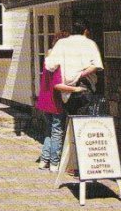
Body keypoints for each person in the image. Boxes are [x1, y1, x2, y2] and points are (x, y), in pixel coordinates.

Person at [35, 31, 85, 173]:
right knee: (57, 131)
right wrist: (76, 89)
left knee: (49, 131)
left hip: (45, 101)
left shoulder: (48, 59)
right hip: (54, 101)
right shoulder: (57, 63)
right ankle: (54, 163)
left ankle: (44, 160)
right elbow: (57, 86)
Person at [44, 19, 104, 116]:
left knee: (69, 123)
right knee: (83, 124)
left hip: (65, 90)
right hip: (84, 86)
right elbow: (96, 66)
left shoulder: (61, 43)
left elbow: (50, 65)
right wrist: (80, 74)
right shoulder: (90, 43)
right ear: (86, 30)